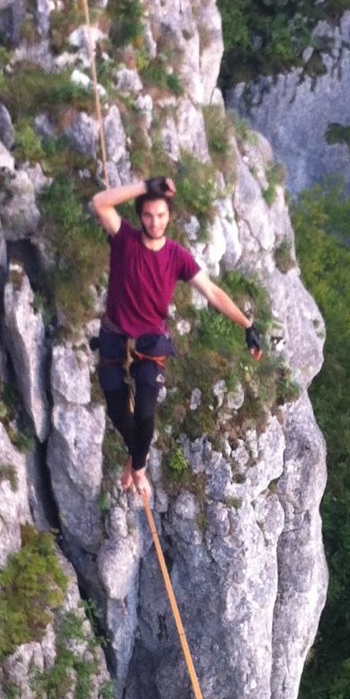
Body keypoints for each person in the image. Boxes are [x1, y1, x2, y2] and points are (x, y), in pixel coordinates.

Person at [89, 174, 263, 506]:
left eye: (161, 215)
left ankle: (138, 467)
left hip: (151, 340)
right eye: (148, 215)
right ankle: (138, 455)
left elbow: (212, 292)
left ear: (170, 216)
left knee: (144, 413)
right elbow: (100, 203)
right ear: (140, 216)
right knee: (118, 413)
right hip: (115, 333)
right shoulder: (124, 239)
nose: (155, 223)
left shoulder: (176, 256)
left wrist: (247, 325)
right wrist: (145, 187)